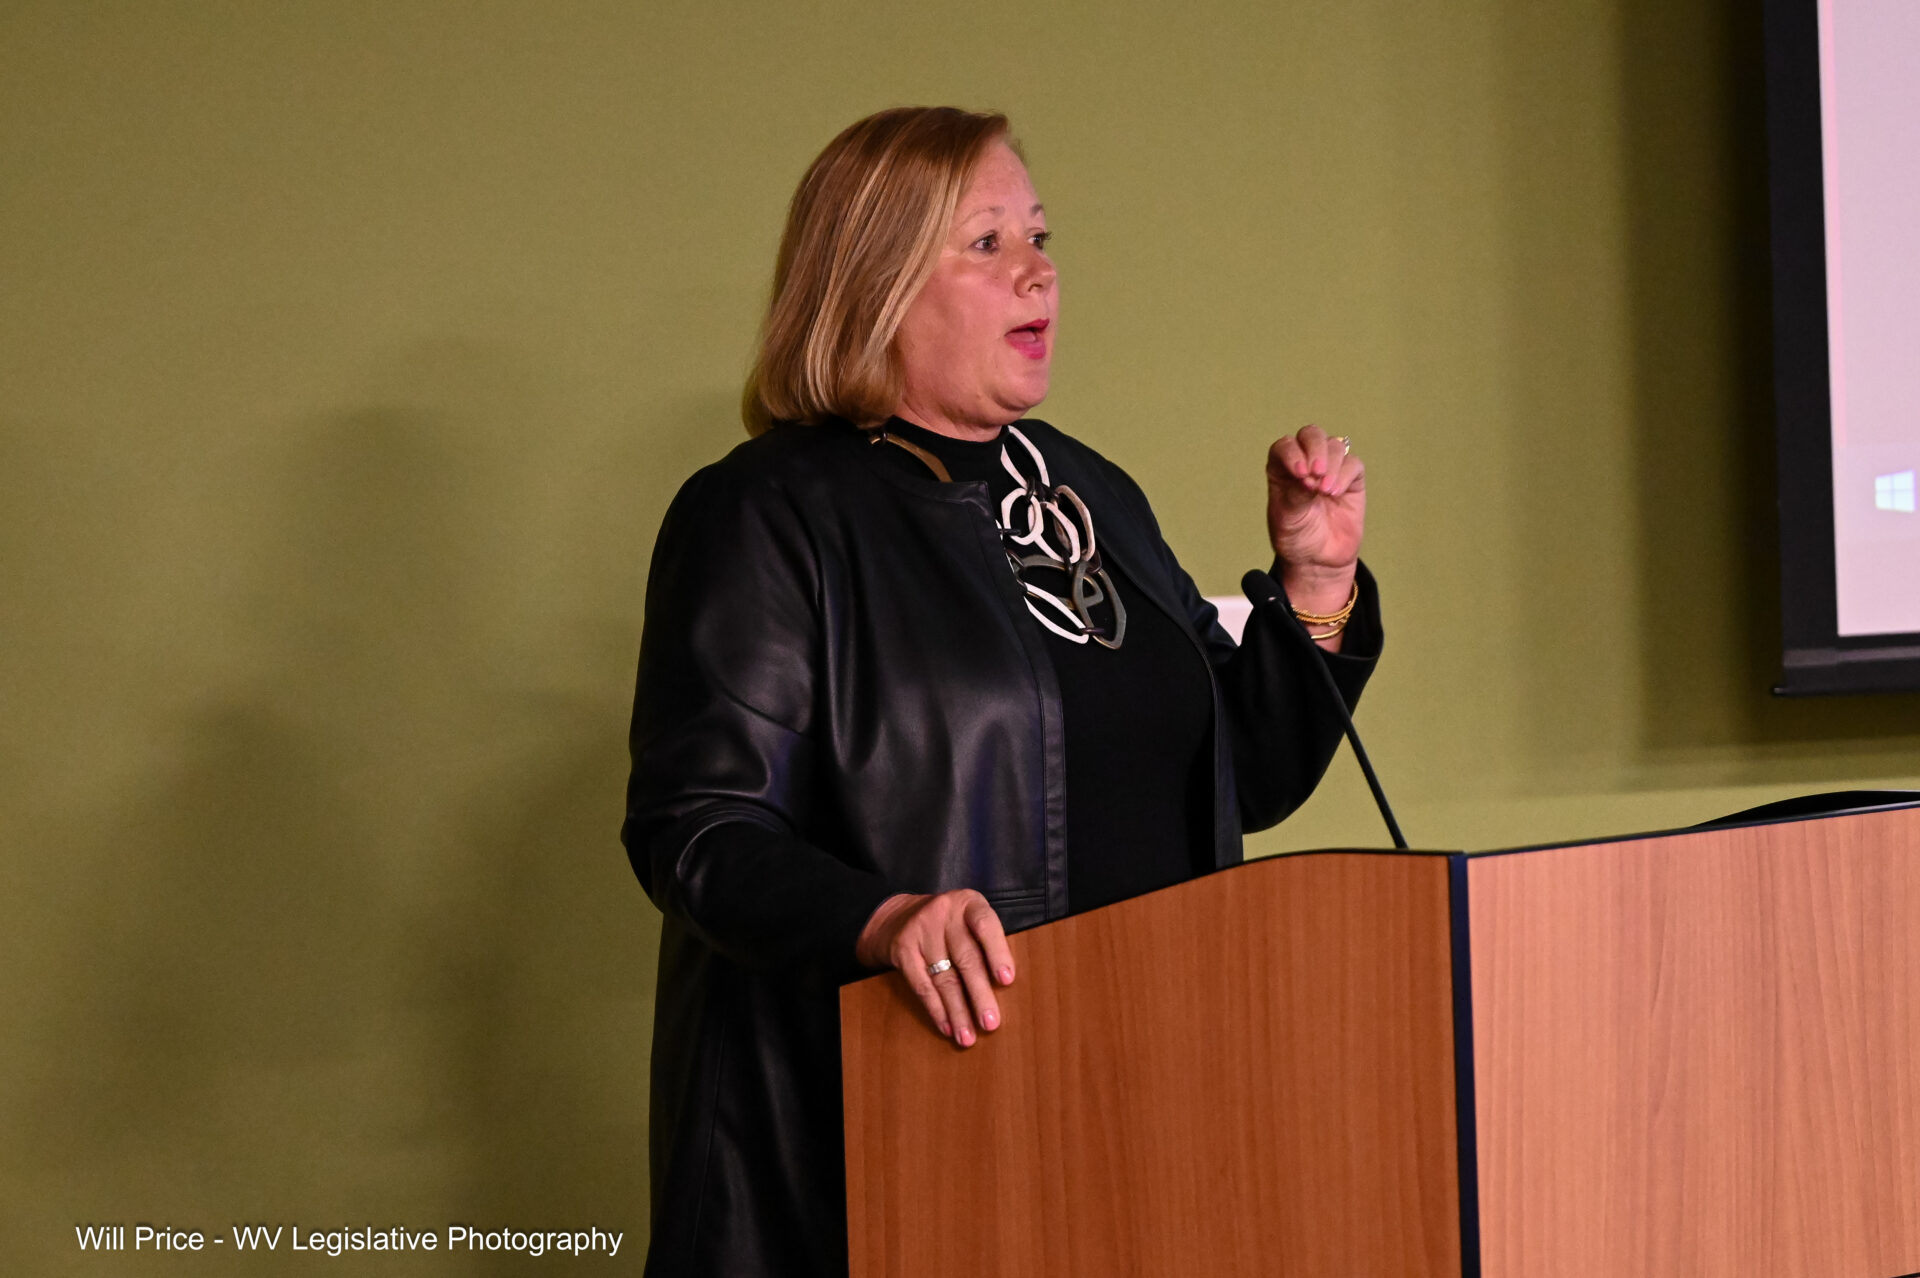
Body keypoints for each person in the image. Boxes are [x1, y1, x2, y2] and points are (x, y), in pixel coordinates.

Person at [621, 106, 1380, 1277]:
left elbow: (1239, 777)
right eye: (986, 244)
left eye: (1040, 234)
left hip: (1132, 1123)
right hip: (887, 1140)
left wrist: (1315, 584)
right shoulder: (767, 513)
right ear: (874, 284)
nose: (1040, 269)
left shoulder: (1091, 495)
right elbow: (699, 831)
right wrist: (883, 922)